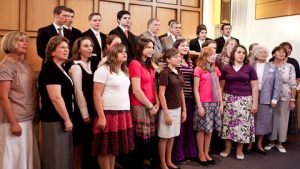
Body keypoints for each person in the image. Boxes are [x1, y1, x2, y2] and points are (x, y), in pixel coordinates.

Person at [0, 31, 40, 169]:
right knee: (14, 159)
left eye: (26, 41)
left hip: (29, 117)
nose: (25, 44)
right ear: (11, 43)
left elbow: (33, 91)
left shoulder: (26, 64)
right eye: (21, 41)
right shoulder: (5, 66)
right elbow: (3, 97)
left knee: (27, 157)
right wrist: (13, 123)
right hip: (14, 119)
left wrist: (36, 113)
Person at [92, 44, 135, 169]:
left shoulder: (124, 71)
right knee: (104, 148)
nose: (124, 53)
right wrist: (101, 116)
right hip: (108, 112)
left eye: (125, 51)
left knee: (113, 147)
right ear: (112, 54)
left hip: (123, 112)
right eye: (120, 51)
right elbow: (96, 94)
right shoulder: (103, 70)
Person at [38, 36, 74, 169]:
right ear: (52, 51)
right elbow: (56, 98)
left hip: (62, 118)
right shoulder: (50, 69)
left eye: (67, 47)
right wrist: (66, 119)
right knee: (55, 157)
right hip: (54, 118)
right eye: (62, 47)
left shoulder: (60, 68)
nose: (66, 50)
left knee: (63, 156)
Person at [219, 45, 258, 160]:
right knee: (227, 125)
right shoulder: (226, 68)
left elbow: (255, 87)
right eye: (238, 52)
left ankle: (240, 150)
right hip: (228, 100)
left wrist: (255, 103)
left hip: (245, 100)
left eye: (243, 52)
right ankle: (227, 148)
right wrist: (220, 101)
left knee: (242, 126)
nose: (241, 54)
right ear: (233, 54)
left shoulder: (249, 68)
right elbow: (221, 87)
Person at [128, 38, 160, 169]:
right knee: (140, 137)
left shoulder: (150, 64)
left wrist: (157, 103)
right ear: (140, 48)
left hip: (152, 103)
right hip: (140, 104)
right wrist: (150, 106)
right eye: (148, 47)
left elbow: (153, 85)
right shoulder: (135, 64)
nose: (152, 50)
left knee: (150, 137)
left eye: (152, 47)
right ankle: (138, 162)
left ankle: (146, 159)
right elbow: (136, 90)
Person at [69, 37, 97, 169]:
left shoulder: (91, 65)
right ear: (78, 49)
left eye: (91, 46)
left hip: (92, 107)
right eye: (86, 46)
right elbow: (78, 91)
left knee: (88, 142)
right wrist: (85, 113)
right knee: (79, 143)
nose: (90, 48)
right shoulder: (76, 66)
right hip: (81, 111)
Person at [248, 45, 281, 154]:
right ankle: (249, 144)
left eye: (265, 52)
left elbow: (277, 85)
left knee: (264, 122)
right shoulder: (250, 66)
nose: (263, 54)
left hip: (266, 98)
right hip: (251, 97)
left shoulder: (273, 67)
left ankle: (259, 144)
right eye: (261, 52)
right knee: (250, 121)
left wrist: (274, 99)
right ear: (256, 54)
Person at [193, 47, 223, 165]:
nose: (213, 56)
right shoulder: (198, 69)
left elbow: (218, 88)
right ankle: (200, 154)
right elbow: (196, 90)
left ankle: (206, 152)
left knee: (210, 130)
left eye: (214, 54)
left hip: (214, 103)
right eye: (210, 54)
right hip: (203, 103)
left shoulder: (215, 69)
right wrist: (199, 106)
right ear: (204, 56)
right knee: (201, 130)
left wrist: (220, 104)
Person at [264, 46, 297, 153]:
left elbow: (293, 84)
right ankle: (271, 141)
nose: (282, 54)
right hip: (269, 96)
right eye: (279, 51)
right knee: (271, 118)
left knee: (283, 119)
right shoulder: (268, 65)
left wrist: (292, 100)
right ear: (273, 54)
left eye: (284, 53)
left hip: (285, 96)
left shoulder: (290, 66)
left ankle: (280, 142)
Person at [158, 48, 186, 169]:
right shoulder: (165, 72)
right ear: (168, 59)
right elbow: (161, 94)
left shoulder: (178, 71)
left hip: (177, 108)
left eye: (179, 56)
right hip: (167, 109)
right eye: (175, 57)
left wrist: (184, 109)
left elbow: (181, 92)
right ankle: (163, 163)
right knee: (164, 137)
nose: (179, 58)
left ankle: (169, 161)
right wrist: (166, 113)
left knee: (172, 136)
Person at [172, 39, 197, 162]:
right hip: (178, 98)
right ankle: (178, 154)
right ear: (176, 47)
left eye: (187, 45)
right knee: (180, 127)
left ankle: (189, 152)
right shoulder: (173, 62)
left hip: (190, 97)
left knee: (188, 126)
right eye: (182, 45)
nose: (185, 47)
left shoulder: (190, 61)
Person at [279, 42, 300, 136]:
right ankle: (274, 137)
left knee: (288, 116)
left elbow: (298, 78)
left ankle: (284, 137)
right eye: (285, 47)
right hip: (277, 94)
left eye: (289, 48)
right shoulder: (274, 60)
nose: (287, 49)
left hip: (291, 93)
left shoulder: (294, 62)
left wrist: (292, 89)